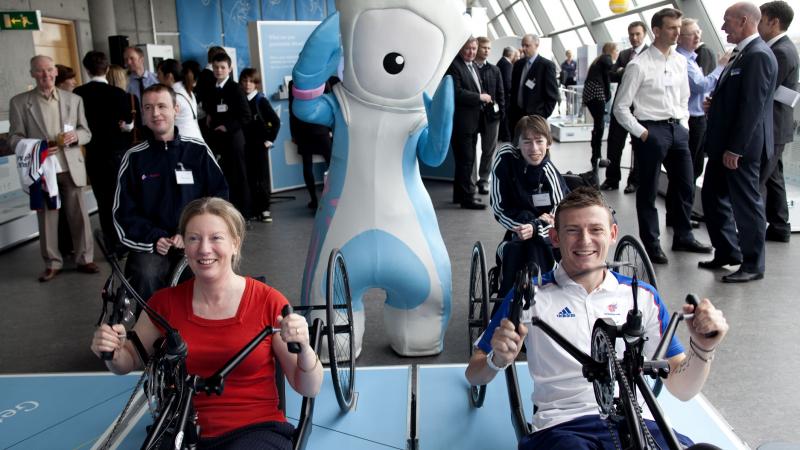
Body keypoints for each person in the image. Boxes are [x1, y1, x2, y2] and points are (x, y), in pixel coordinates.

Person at [466, 186, 730, 449]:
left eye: (596, 229)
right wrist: (495, 359)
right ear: (555, 238)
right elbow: (474, 373)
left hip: (639, 422)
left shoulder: (644, 297)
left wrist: (703, 348)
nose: (584, 240)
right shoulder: (529, 295)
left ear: (612, 234)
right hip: (564, 426)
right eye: (573, 230)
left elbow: (682, 388)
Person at [92, 196, 322, 449]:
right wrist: (111, 351)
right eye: (194, 238)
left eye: (216, 238)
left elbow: (308, 387)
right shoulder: (165, 303)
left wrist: (305, 348)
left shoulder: (268, 301)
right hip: (183, 428)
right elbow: (127, 361)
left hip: (253, 429)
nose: (204, 248)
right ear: (184, 245)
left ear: (235, 243)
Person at [113, 84, 229, 304]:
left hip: (196, 241)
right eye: (148, 107)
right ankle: (151, 334)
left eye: (161, 106)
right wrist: (155, 238)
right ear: (143, 114)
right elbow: (123, 214)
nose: (155, 113)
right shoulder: (134, 158)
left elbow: (219, 200)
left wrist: (190, 234)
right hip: (151, 245)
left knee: (209, 275)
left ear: (176, 109)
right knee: (146, 274)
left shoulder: (198, 151)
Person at [613, 8, 712, 265]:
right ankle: (651, 243)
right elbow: (620, 108)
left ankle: (683, 236)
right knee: (647, 191)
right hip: (651, 131)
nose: (678, 32)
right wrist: (643, 133)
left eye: (679, 27)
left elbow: (684, 97)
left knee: (686, 184)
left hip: (677, 130)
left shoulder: (680, 61)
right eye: (672, 28)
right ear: (656, 31)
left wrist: (684, 126)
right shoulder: (638, 65)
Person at [701, 2, 778, 283]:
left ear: (744, 20)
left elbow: (752, 108)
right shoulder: (741, 54)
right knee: (711, 197)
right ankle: (727, 252)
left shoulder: (758, 55)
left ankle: (753, 264)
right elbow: (736, 97)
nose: (722, 27)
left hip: (740, 148)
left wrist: (736, 148)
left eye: (727, 21)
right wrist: (716, 104)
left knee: (746, 204)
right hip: (723, 145)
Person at [8, 55, 97, 282]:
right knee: (47, 218)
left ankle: (84, 259)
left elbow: (86, 132)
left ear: (56, 72)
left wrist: (75, 136)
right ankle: (52, 263)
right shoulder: (19, 102)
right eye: (40, 71)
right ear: (32, 74)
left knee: (79, 215)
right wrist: (36, 147)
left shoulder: (73, 99)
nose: (46, 75)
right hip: (42, 169)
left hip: (70, 166)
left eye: (49, 70)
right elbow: (13, 138)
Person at [490, 115, 569, 297]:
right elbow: (498, 207)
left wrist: (536, 228)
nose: (534, 149)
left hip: (547, 234)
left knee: (529, 246)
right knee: (516, 243)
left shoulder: (549, 173)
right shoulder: (505, 159)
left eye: (539, 141)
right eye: (527, 142)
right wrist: (522, 227)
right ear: (517, 143)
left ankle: (515, 299)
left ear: (548, 143)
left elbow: (560, 212)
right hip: (517, 228)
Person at [73, 51, 133, 256]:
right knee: (120, 198)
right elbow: (128, 125)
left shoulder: (77, 93)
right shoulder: (118, 94)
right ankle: (124, 241)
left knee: (103, 200)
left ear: (87, 70)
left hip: (94, 153)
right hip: (117, 153)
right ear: (107, 69)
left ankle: (111, 245)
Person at [758, 0, 797, 243]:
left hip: (773, 127)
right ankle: (780, 226)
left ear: (774, 22)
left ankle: (753, 233)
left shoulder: (780, 51)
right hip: (778, 127)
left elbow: (766, 92)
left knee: (759, 180)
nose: (757, 25)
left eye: (761, 20)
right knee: (774, 179)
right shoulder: (782, 48)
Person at [601, 21, 648, 193]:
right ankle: (612, 179)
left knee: (637, 147)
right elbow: (612, 74)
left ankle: (634, 181)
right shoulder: (624, 54)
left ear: (645, 34)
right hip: (621, 106)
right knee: (614, 144)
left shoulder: (650, 54)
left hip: (640, 108)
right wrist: (623, 71)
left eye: (637, 34)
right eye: (631, 34)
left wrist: (623, 70)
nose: (634, 38)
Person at [446, 37, 492, 210]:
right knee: (466, 161)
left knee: (466, 161)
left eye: (474, 48)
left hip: (472, 122)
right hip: (462, 123)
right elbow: (456, 93)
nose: (471, 52)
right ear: (460, 48)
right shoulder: (455, 66)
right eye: (468, 49)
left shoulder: (470, 65)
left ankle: (460, 195)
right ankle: (467, 198)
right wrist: (480, 97)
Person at [206, 52, 253, 218]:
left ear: (229, 69)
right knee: (224, 176)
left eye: (222, 67)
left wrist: (227, 127)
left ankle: (244, 214)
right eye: (216, 67)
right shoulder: (213, 88)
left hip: (234, 140)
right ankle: (228, 213)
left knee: (239, 176)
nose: (219, 70)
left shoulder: (235, 88)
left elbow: (246, 115)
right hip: (219, 141)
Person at [240, 68, 280, 223]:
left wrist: (269, 141)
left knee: (261, 178)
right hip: (245, 145)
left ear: (256, 83)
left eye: (251, 81)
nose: (248, 84)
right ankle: (253, 209)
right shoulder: (241, 99)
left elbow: (275, 121)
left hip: (259, 146)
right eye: (245, 81)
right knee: (249, 178)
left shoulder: (260, 100)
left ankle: (264, 209)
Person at [288, 79, 333, 211]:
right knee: (330, 164)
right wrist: (331, 128)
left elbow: (292, 109)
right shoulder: (322, 79)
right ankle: (327, 197)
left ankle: (314, 199)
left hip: (307, 129)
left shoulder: (294, 82)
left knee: (312, 165)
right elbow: (329, 104)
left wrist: (294, 134)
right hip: (319, 128)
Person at [508, 34, 559, 133]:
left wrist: (542, 115)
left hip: (535, 117)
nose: (523, 48)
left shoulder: (546, 66)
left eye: (527, 46)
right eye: (522, 45)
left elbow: (552, 95)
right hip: (517, 116)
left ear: (536, 45)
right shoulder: (518, 64)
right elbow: (514, 89)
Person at [475, 36, 505, 196]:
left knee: (489, 149)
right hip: (472, 116)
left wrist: (502, 115)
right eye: (483, 47)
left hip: (492, 117)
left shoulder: (495, 70)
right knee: (469, 150)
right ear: (476, 48)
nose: (486, 51)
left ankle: (484, 179)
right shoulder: (469, 68)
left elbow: (501, 93)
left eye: (489, 48)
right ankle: (470, 179)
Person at [582, 43, 617, 170]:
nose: (617, 53)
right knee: (599, 125)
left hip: (589, 93)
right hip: (597, 93)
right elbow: (609, 76)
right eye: (616, 50)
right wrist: (608, 95)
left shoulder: (597, 60)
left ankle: (595, 155)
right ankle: (597, 156)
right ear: (611, 50)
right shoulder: (606, 58)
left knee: (598, 124)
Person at [157, 58, 204, 141]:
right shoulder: (188, 91)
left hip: (184, 142)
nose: (157, 77)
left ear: (169, 76)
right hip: (196, 139)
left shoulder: (173, 97)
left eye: (159, 74)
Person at [107, 64, 143, 148]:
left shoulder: (101, 98)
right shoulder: (131, 98)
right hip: (130, 145)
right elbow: (139, 124)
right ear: (122, 79)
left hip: (107, 146)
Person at [123, 46, 158, 111]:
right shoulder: (125, 82)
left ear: (141, 59)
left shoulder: (156, 79)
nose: (128, 62)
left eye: (132, 58)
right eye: (126, 60)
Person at [497, 47, 516, 143]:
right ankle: (506, 136)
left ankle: (501, 135)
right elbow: (508, 82)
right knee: (506, 116)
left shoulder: (500, 62)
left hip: (501, 95)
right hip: (506, 96)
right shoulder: (508, 65)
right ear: (511, 54)